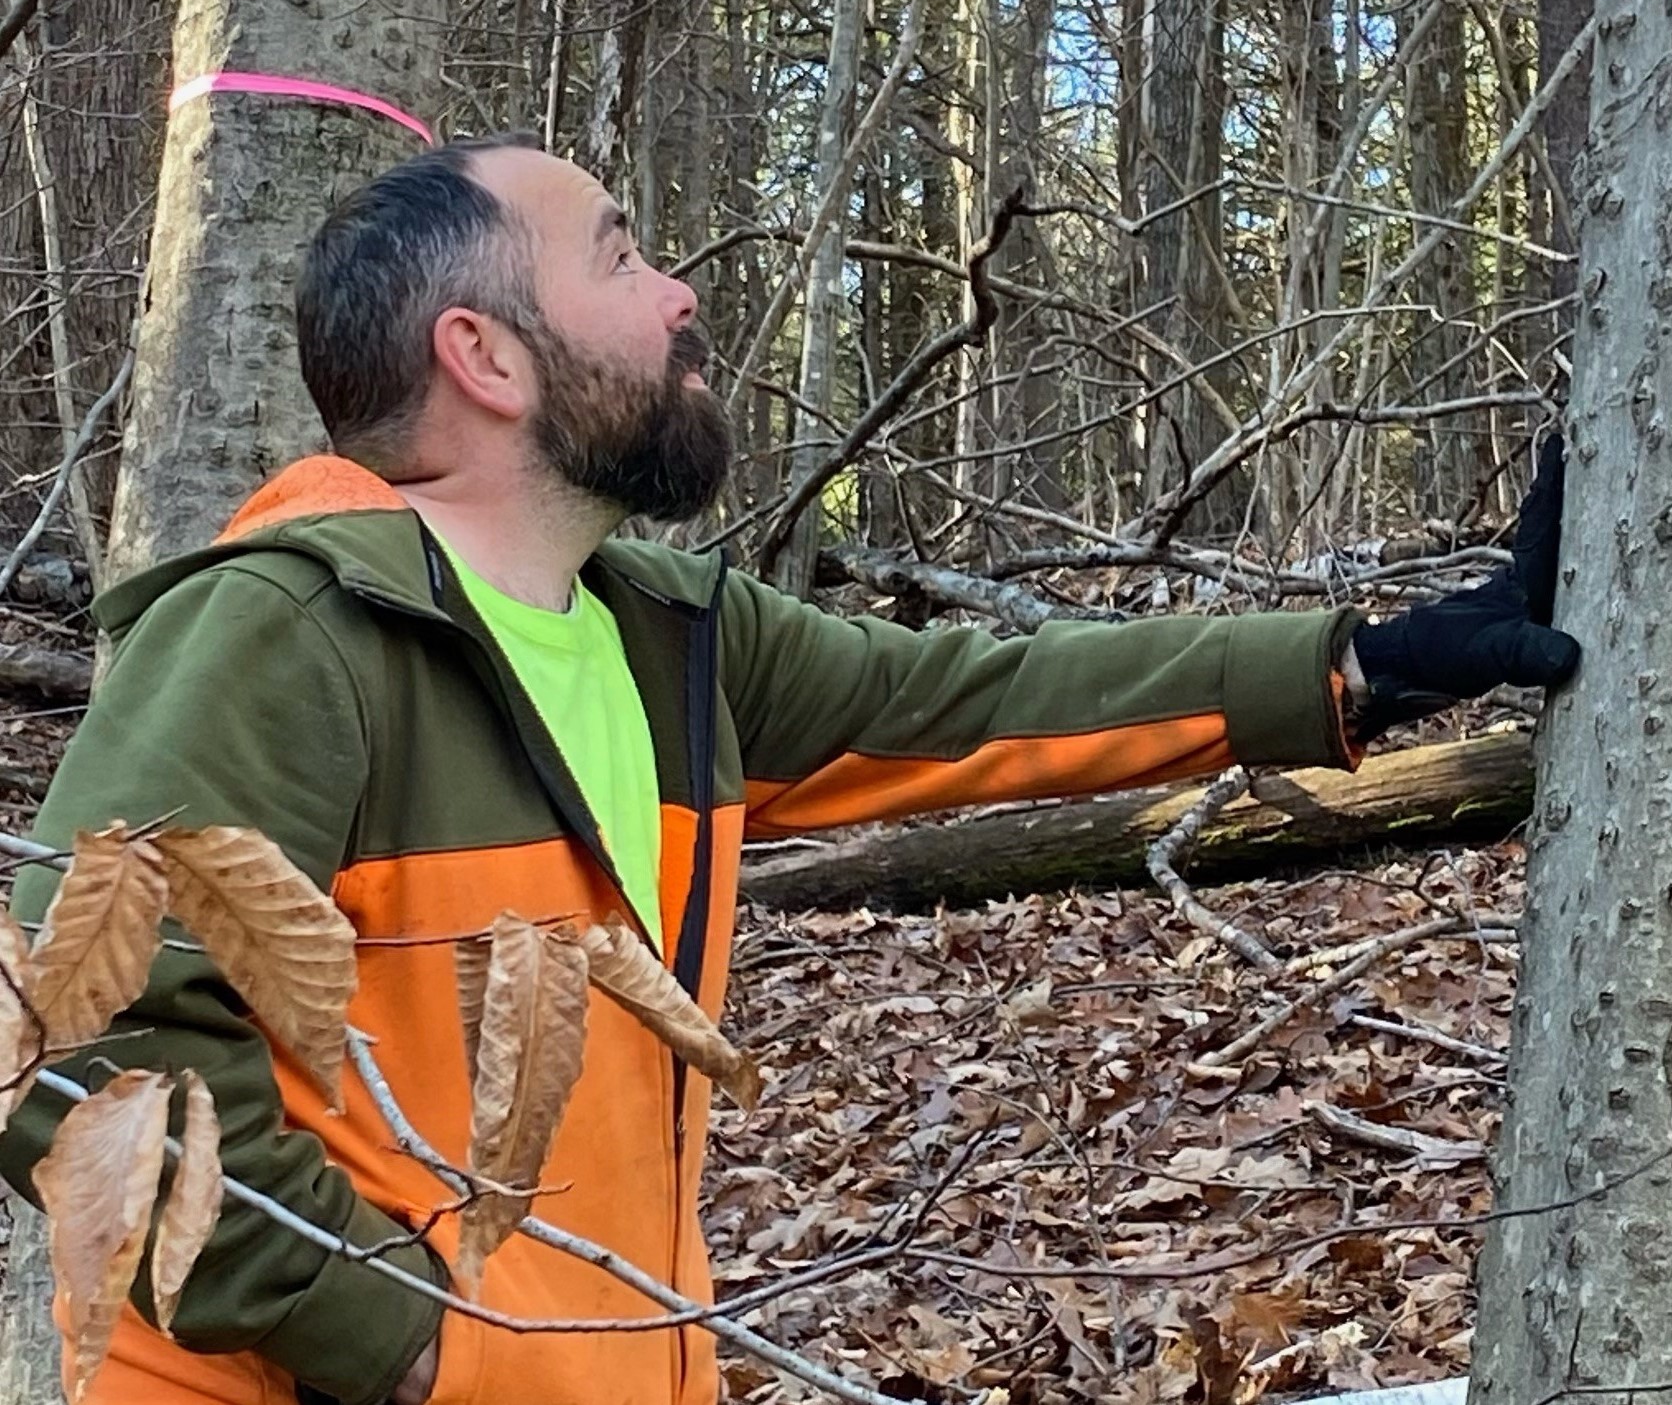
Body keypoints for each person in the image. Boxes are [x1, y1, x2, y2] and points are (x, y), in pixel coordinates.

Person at [0, 136, 1578, 1405]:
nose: (679, 290)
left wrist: (1376, 657)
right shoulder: (284, 628)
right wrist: (401, 1343)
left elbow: (978, 697)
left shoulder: (669, 633)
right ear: (481, 351)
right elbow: (61, 1038)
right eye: (617, 252)